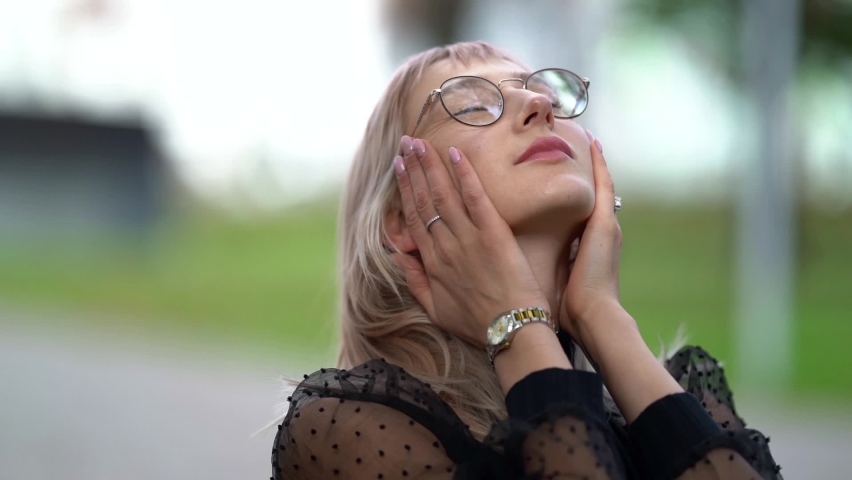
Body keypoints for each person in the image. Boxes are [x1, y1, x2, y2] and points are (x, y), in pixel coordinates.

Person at [271, 41, 781, 479]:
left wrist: (602, 318)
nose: (539, 103)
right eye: (471, 106)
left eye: (546, 92)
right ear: (403, 221)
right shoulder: (349, 426)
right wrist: (518, 326)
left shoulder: (684, 395)